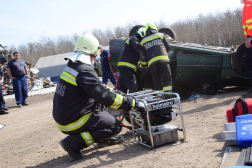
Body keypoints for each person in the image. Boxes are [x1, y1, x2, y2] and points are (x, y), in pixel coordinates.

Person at [53, 33, 146, 161]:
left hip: (66, 116)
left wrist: (118, 94)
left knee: (106, 112)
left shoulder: (73, 67)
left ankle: (103, 139)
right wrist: (131, 103)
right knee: (114, 126)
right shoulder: (83, 70)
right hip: (74, 120)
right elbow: (103, 95)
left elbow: (99, 88)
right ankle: (73, 143)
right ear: (93, 53)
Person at [140, 23, 173, 93]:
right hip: (163, 61)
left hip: (152, 64)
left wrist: (144, 66)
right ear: (155, 28)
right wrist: (164, 53)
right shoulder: (160, 35)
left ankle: (159, 98)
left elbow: (142, 56)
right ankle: (168, 97)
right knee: (167, 79)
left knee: (157, 81)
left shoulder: (143, 41)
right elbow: (168, 47)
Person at [117, 27, 145, 93]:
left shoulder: (132, 39)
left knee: (122, 90)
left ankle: (123, 103)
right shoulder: (133, 39)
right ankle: (134, 103)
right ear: (142, 34)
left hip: (124, 68)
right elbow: (138, 49)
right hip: (127, 68)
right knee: (133, 88)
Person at [241, 0, 252, 98]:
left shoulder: (249, 4)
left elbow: (250, 22)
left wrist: (249, 36)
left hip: (251, 37)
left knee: (248, 62)